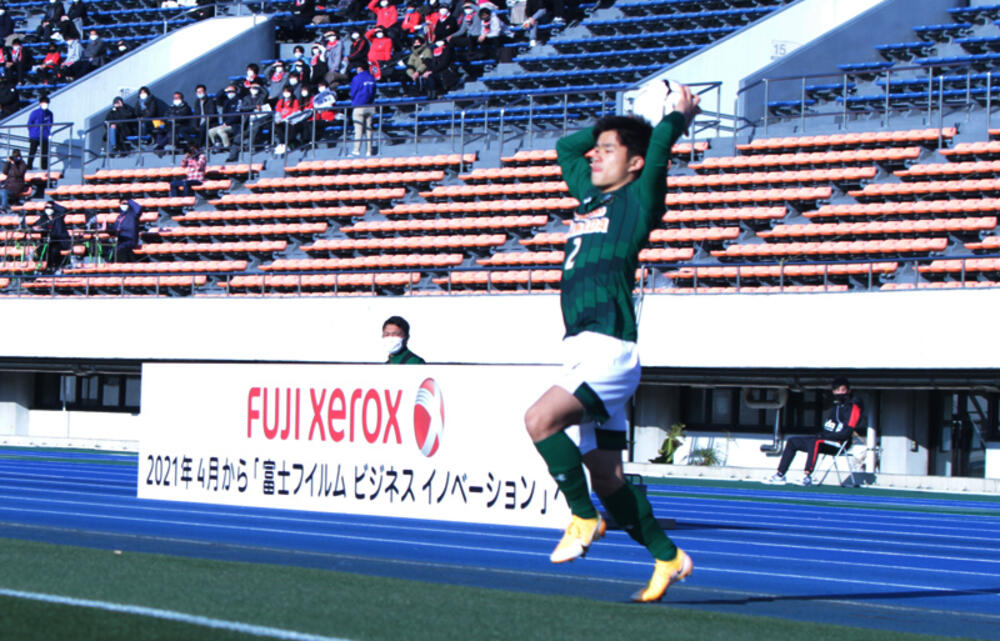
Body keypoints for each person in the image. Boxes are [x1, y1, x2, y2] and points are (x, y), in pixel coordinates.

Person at [522, 83, 700, 603]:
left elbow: (659, 148)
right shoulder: (589, 196)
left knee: (539, 420)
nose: (594, 156)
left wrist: (671, 118)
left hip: (609, 348)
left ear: (635, 163)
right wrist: (614, 125)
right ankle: (668, 557)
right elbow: (566, 148)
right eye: (596, 150)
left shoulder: (639, 199)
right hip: (583, 347)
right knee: (607, 477)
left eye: (607, 151)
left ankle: (582, 519)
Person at [765, 377, 866, 487]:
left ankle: (807, 476)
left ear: (849, 391)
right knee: (792, 441)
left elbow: (847, 432)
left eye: (843, 390)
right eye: (837, 390)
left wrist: (827, 436)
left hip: (840, 443)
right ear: (833, 392)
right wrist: (822, 435)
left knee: (815, 441)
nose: (840, 393)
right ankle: (780, 475)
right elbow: (828, 428)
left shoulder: (853, 406)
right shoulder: (836, 406)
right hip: (827, 440)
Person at [33, 200, 71, 273]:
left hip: (59, 241)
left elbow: (64, 210)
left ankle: (54, 266)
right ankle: (45, 267)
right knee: (40, 250)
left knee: (54, 250)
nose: (48, 209)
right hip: (48, 241)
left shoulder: (58, 216)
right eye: (47, 207)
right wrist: (36, 227)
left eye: (50, 208)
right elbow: (36, 225)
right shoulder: (43, 218)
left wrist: (53, 204)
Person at [350, 64, 375, 156]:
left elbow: (353, 92)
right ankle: (369, 150)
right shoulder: (371, 78)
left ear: (360, 68)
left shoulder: (357, 78)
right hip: (370, 106)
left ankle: (356, 150)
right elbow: (373, 92)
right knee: (369, 129)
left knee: (358, 130)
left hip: (359, 106)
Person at [209, 85, 241, 157]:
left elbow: (237, 115)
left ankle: (227, 147)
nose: (230, 93)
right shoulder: (226, 100)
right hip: (225, 124)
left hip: (235, 125)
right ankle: (217, 145)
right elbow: (217, 97)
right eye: (228, 92)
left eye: (231, 91)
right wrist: (223, 90)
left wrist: (227, 123)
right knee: (211, 131)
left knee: (220, 131)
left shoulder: (238, 100)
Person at [107, 198, 140, 262]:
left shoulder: (133, 215)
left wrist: (129, 200)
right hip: (120, 240)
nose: (124, 205)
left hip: (130, 241)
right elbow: (115, 230)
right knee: (108, 248)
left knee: (119, 249)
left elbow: (138, 208)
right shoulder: (119, 217)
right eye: (123, 204)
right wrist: (107, 229)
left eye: (126, 204)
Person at [27, 95, 53, 170]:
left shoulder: (49, 113)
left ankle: (44, 168)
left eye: (46, 103)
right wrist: (32, 132)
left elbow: (50, 123)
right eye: (44, 103)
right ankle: (29, 167)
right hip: (35, 136)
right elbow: (29, 123)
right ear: (40, 103)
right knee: (32, 152)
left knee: (44, 153)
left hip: (44, 136)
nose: (45, 105)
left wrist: (47, 131)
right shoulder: (35, 113)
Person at [0, 148, 27, 214]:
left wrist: (14, 164)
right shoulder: (11, 164)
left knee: (4, 192)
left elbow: (19, 174)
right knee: (2, 191)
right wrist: (8, 162)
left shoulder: (22, 164)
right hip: (9, 185)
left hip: (17, 186)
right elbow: (5, 172)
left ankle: (3, 208)